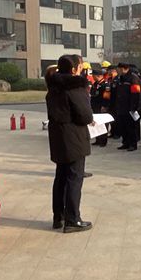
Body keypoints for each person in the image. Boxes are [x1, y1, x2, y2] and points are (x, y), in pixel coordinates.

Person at [46, 54, 95, 232]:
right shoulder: (75, 87)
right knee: (74, 178)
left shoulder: (53, 86)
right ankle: (72, 219)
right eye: (80, 67)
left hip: (58, 137)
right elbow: (85, 116)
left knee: (60, 177)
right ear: (74, 69)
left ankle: (58, 216)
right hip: (74, 137)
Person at [113, 62, 141, 151]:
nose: (117, 71)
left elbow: (136, 94)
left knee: (131, 127)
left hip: (130, 107)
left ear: (122, 69)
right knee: (123, 126)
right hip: (122, 107)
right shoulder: (121, 78)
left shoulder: (133, 78)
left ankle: (133, 144)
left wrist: (134, 107)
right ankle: (125, 143)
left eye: (118, 69)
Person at [90, 69, 111, 147]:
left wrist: (104, 106)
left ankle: (103, 141)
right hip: (95, 106)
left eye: (93, 75)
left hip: (102, 107)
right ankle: (98, 140)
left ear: (98, 76)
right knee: (96, 124)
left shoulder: (105, 85)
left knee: (103, 124)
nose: (92, 77)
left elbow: (106, 97)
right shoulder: (95, 84)